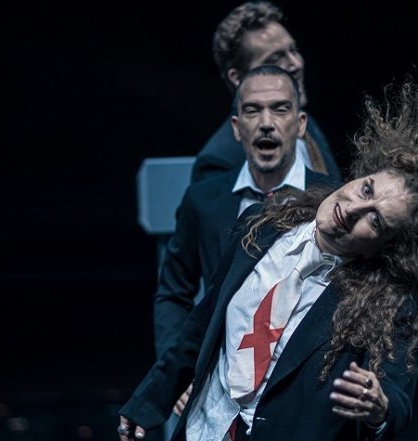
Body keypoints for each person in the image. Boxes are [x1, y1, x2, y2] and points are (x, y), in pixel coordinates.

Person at [118, 56, 418, 441]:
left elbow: (396, 400)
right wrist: (149, 402)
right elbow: (201, 323)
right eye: (366, 189)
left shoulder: (389, 302)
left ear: (386, 245)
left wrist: (379, 407)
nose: (353, 208)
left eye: (375, 220)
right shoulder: (260, 225)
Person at [155, 65, 340, 422]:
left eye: (280, 109)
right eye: (253, 110)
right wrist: (176, 374)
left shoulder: (331, 199)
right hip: (222, 398)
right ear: (237, 127)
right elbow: (173, 293)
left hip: (305, 394)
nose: (266, 123)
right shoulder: (203, 201)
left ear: (300, 124)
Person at [192, 1, 341, 184]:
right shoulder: (219, 162)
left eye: (294, 50)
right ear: (237, 77)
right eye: (275, 59)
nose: (296, 64)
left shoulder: (306, 123)